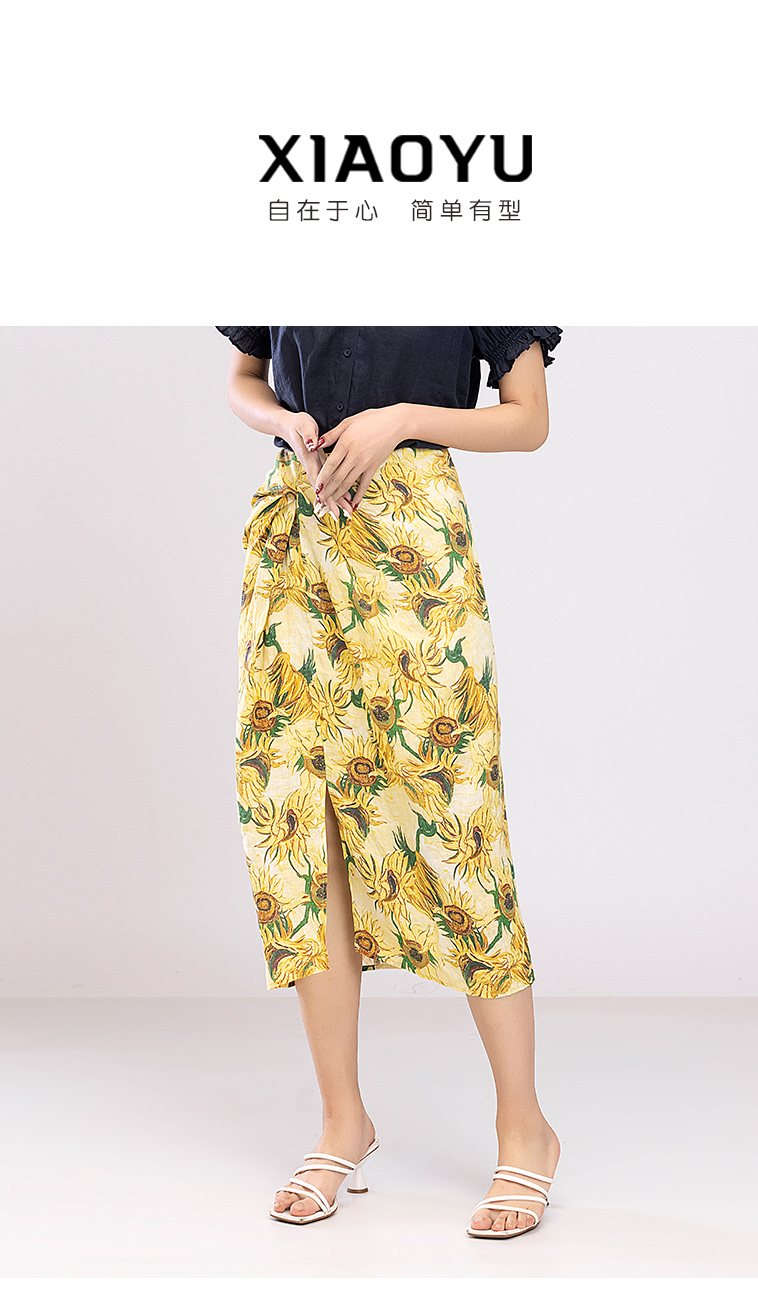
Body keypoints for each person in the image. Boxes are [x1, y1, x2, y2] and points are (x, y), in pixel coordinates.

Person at [217, 326, 563, 1238]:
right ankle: (343, 1121)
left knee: (457, 823)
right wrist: (285, 423)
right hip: (297, 539)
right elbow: (244, 378)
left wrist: (401, 420)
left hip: (414, 542)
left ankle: (525, 1129)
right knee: (301, 822)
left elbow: (529, 419)